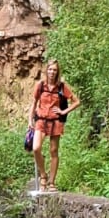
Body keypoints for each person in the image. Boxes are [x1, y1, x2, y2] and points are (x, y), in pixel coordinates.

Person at [28, 59, 80, 192]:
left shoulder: (61, 87)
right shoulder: (40, 85)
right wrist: (30, 120)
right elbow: (34, 103)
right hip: (41, 120)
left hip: (56, 121)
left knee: (53, 151)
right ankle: (43, 176)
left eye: (54, 70)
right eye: (50, 69)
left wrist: (63, 111)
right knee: (36, 148)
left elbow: (76, 101)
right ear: (47, 70)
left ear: (57, 72)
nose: (52, 72)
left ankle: (51, 182)